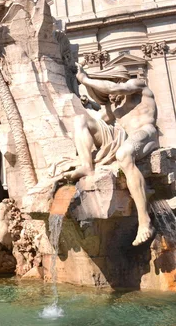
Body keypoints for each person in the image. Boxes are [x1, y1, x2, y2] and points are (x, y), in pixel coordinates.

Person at [63, 64, 158, 246]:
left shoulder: (138, 86)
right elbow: (96, 119)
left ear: (117, 79)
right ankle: (86, 166)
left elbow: (115, 88)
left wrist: (85, 80)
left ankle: (144, 221)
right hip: (124, 137)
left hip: (146, 133)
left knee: (124, 154)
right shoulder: (115, 107)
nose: (110, 97)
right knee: (80, 120)